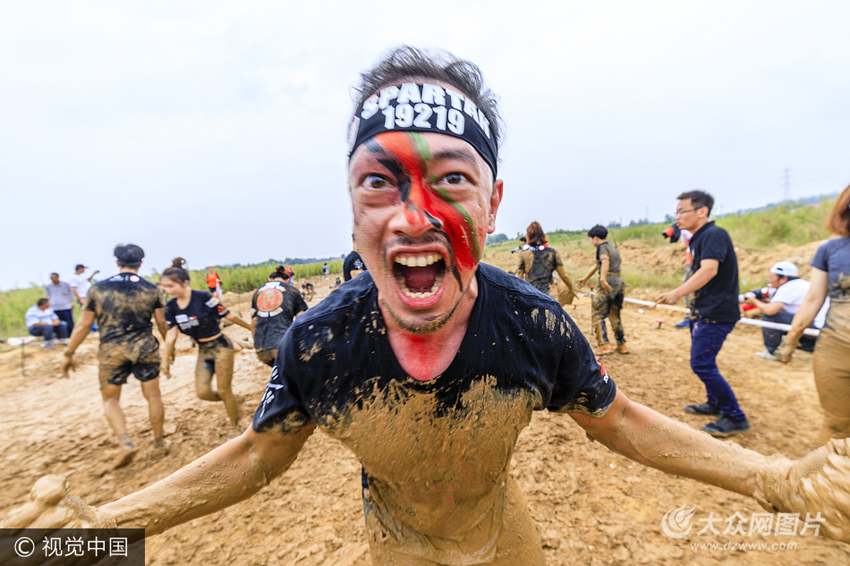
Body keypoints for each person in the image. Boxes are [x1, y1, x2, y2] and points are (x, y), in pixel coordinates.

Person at [10, 46, 850, 563]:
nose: (414, 217)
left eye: (452, 179)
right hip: (395, 545)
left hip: (505, 537)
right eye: (380, 182)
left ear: (493, 203)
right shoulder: (320, 342)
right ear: (351, 210)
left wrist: (775, 479)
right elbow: (255, 457)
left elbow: (621, 420)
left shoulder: (534, 325)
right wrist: (103, 528)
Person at [60, 244, 169, 463]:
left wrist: (69, 352)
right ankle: (159, 442)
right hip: (144, 347)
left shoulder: (98, 289)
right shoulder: (151, 289)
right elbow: (161, 322)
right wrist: (169, 345)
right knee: (153, 396)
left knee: (110, 399)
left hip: (112, 350)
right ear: (140, 263)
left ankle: (126, 442)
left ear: (117, 262)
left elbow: (85, 324)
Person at [655, 190, 749, 437]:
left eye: (682, 211)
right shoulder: (699, 237)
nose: (677, 217)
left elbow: (709, 270)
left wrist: (676, 293)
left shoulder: (714, 235)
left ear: (702, 211)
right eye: (676, 212)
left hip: (717, 312)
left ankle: (735, 416)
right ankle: (715, 403)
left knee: (702, 363)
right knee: (704, 362)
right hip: (703, 310)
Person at [777, 185, 850, 442]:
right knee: (838, 426)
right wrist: (790, 340)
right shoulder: (830, 250)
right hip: (837, 350)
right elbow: (813, 299)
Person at [160, 258, 254, 440]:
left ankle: (235, 426)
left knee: (224, 390)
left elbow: (229, 315)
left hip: (221, 347)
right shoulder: (171, 307)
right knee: (202, 392)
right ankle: (234, 401)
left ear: (184, 283)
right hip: (203, 351)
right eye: (164, 286)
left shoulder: (203, 298)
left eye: (171, 286)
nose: (167, 290)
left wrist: (251, 328)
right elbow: (171, 336)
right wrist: (165, 360)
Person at [746, 261, 829, 360]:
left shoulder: (789, 287)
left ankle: (773, 353)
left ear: (783, 279)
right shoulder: (800, 284)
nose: (769, 280)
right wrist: (765, 302)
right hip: (823, 329)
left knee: (770, 317)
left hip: (815, 327)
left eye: (772, 277)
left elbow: (770, 311)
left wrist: (754, 301)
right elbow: (784, 309)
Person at [576, 225, 627, 355]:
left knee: (597, 313)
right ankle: (622, 344)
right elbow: (597, 265)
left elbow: (605, 262)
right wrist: (585, 278)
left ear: (596, 238)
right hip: (619, 282)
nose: (591, 241)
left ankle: (604, 345)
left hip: (609, 281)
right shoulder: (612, 247)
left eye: (591, 239)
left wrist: (603, 279)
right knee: (614, 313)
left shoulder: (601, 247)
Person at [250, 265, 308, 366]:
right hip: (282, 345)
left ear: (269, 279)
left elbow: (254, 321)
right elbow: (301, 319)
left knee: (277, 370)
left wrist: (257, 343)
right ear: (288, 280)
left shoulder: (257, 293)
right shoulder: (292, 290)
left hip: (262, 348)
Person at [515, 221, 576, 308]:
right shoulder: (552, 253)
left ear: (528, 236)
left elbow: (519, 278)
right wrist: (571, 289)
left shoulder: (524, 254)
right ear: (542, 235)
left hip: (531, 295)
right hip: (548, 296)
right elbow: (564, 276)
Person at [68, 264, 100, 332]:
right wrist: (80, 299)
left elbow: (87, 280)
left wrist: (93, 274)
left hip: (88, 296)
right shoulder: (73, 277)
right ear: (80, 269)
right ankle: (90, 329)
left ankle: (93, 327)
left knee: (93, 312)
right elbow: (74, 289)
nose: (84, 270)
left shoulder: (81, 276)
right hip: (83, 297)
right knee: (87, 313)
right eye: (83, 269)